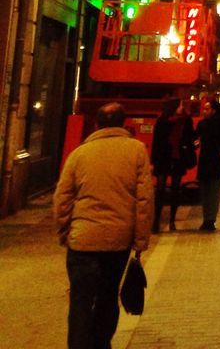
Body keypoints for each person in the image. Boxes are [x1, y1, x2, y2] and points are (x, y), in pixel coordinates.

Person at [53, 101, 152, 349]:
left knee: (80, 300)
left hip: (82, 240)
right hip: (117, 241)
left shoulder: (79, 153)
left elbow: (63, 198)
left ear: (96, 124)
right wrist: (140, 241)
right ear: (123, 123)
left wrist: (65, 232)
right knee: (108, 296)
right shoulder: (137, 151)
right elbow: (144, 199)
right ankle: (101, 344)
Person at [150, 97, 196, 231]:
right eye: (180, 105)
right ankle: (156, 221)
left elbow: (190, 137)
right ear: (173, 107)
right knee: (160, 190)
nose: (182, 107)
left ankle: (172, 221)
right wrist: (153, 161)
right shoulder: (162, 121)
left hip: (178, 158)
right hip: (163, 158)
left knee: (176, 190)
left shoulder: (185, 120)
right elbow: (156, 142)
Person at [195, 97, 220, 232]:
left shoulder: (208, 124)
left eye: (207, 109)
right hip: (212, 161)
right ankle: (209, 219)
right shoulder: (207, 123)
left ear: (213, 110)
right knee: (211, 192)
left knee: (209, 192)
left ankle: (208, 220)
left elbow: (194, 137)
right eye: (204, 109)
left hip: (211, 160)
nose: (204, 111)